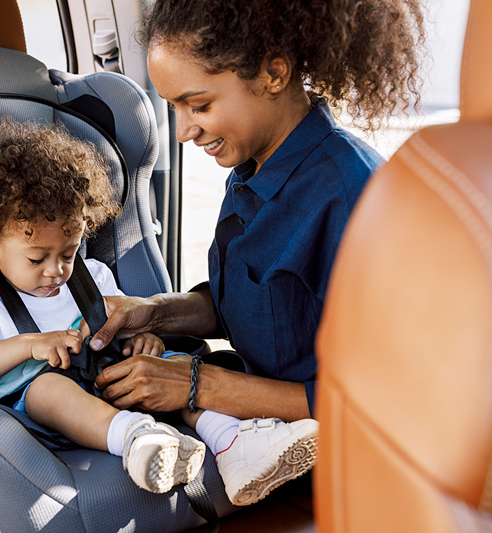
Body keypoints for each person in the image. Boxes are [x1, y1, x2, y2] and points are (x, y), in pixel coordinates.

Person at [84, 0, 426, 506]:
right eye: (174, 108)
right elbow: (255, 307)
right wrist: (152, 313)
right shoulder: (251, 170)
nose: (183, 131)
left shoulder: (352, 195)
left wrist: (198, 385)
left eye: (199, 106)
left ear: (273, 74)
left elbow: (392, 402)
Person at [0, 118, 206, 495]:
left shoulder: (93, 277)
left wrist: (143, 341)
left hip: (107, 377)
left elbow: (120, 326)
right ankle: (137, 440)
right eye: (37, 259)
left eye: (68, 254)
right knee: (48, 389)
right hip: (37, 403)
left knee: (175, 367)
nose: (56, 270)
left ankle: (230, 437)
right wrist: (30, 345)